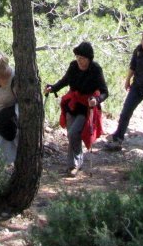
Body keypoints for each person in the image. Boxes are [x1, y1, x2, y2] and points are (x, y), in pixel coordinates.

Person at [44, 41, 108, 176]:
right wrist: (53, 87)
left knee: (73, 133)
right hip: (72, 105)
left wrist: (96, 100)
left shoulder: (95, 69)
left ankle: (75, 164)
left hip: (86, 107)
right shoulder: (73, 66)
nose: (79, 60)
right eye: (77, 57)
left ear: (89, 58)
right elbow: (65, 80)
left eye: (82, 58)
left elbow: (104, 92)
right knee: (72, 136)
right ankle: (72, 165)